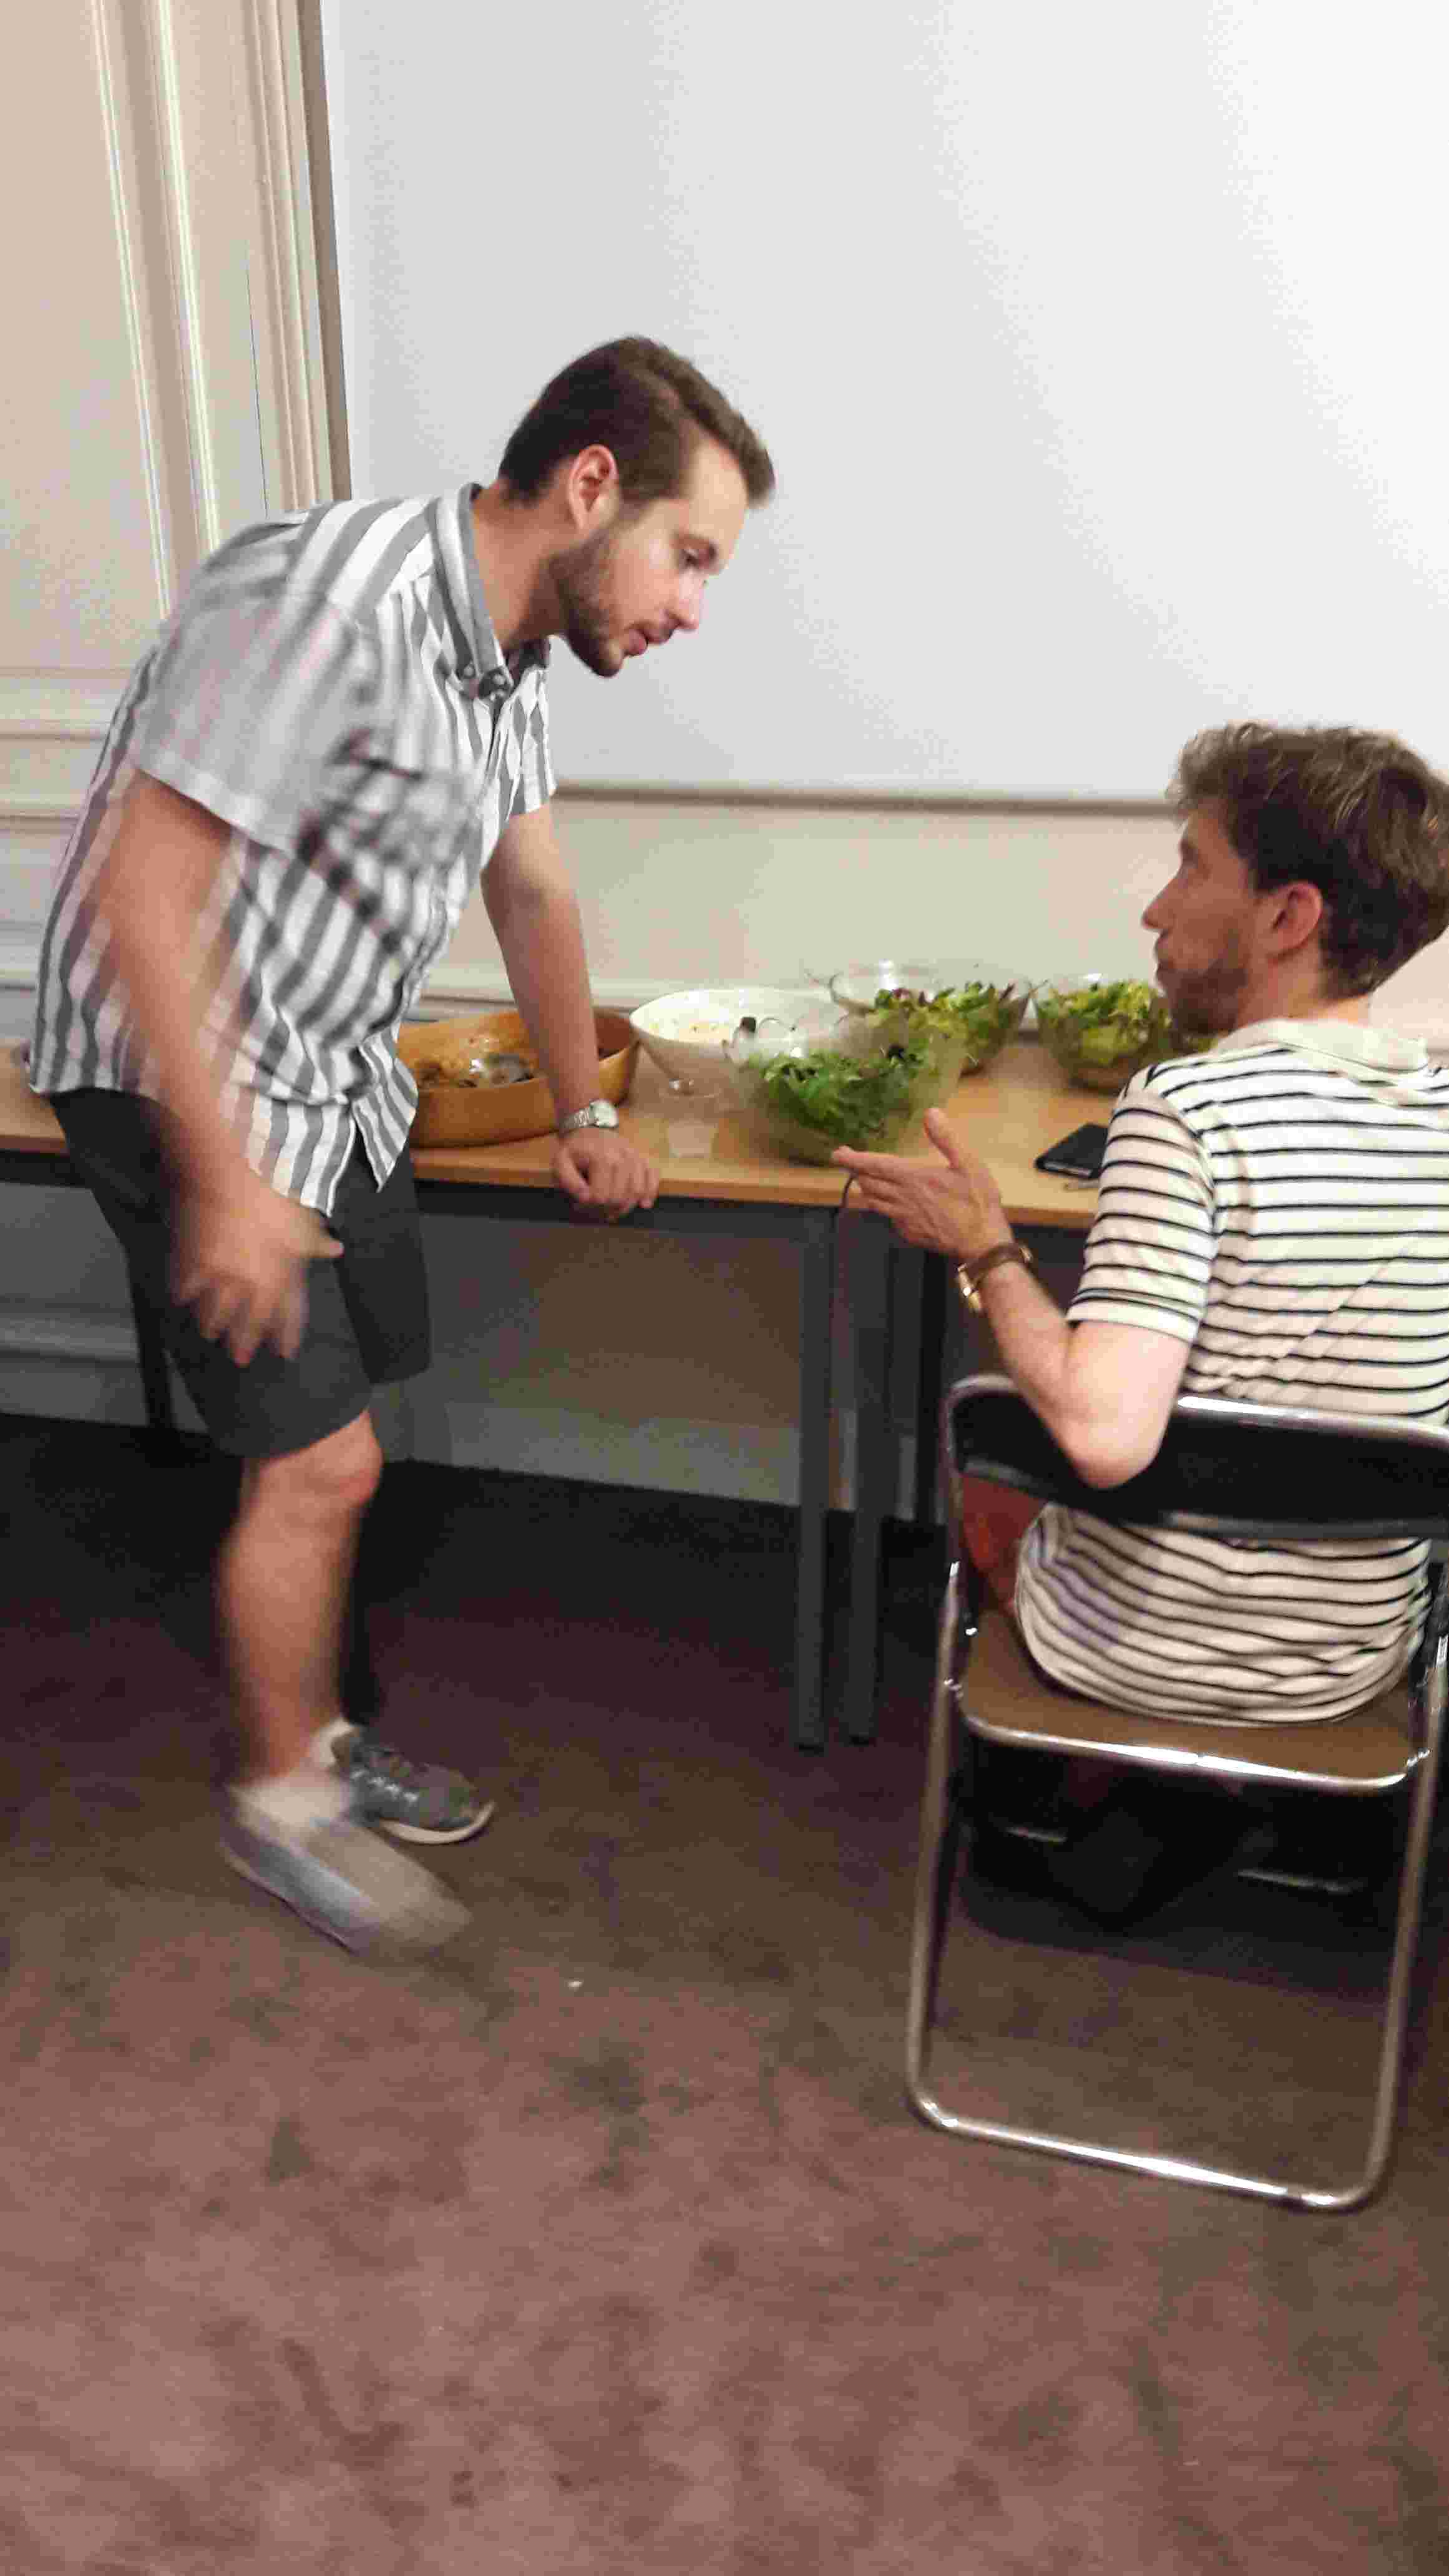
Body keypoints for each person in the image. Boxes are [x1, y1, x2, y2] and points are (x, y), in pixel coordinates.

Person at [31, 337, 775, 1953]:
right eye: (690, 555)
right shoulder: (325, 600)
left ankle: (319, 1731)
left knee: (341, 1422)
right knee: (324, 1458)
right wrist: (225, 1183)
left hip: (333, 1061)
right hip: (183, 1073)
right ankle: (279, 1804)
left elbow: (533, 887)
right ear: (592, 486)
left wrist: (583, 1109)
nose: (693, 606)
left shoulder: (508, 652)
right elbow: (144, 886)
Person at [836, 723, 1449, 1741]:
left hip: (1132, 1656)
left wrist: (986, 1249)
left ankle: (1080, 1779)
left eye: (1191, 867)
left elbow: (1101, 1438)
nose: (1155, 908)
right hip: (1351, 1671)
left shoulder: (1185, 1109)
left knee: (991, 1483)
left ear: (1288, 917)